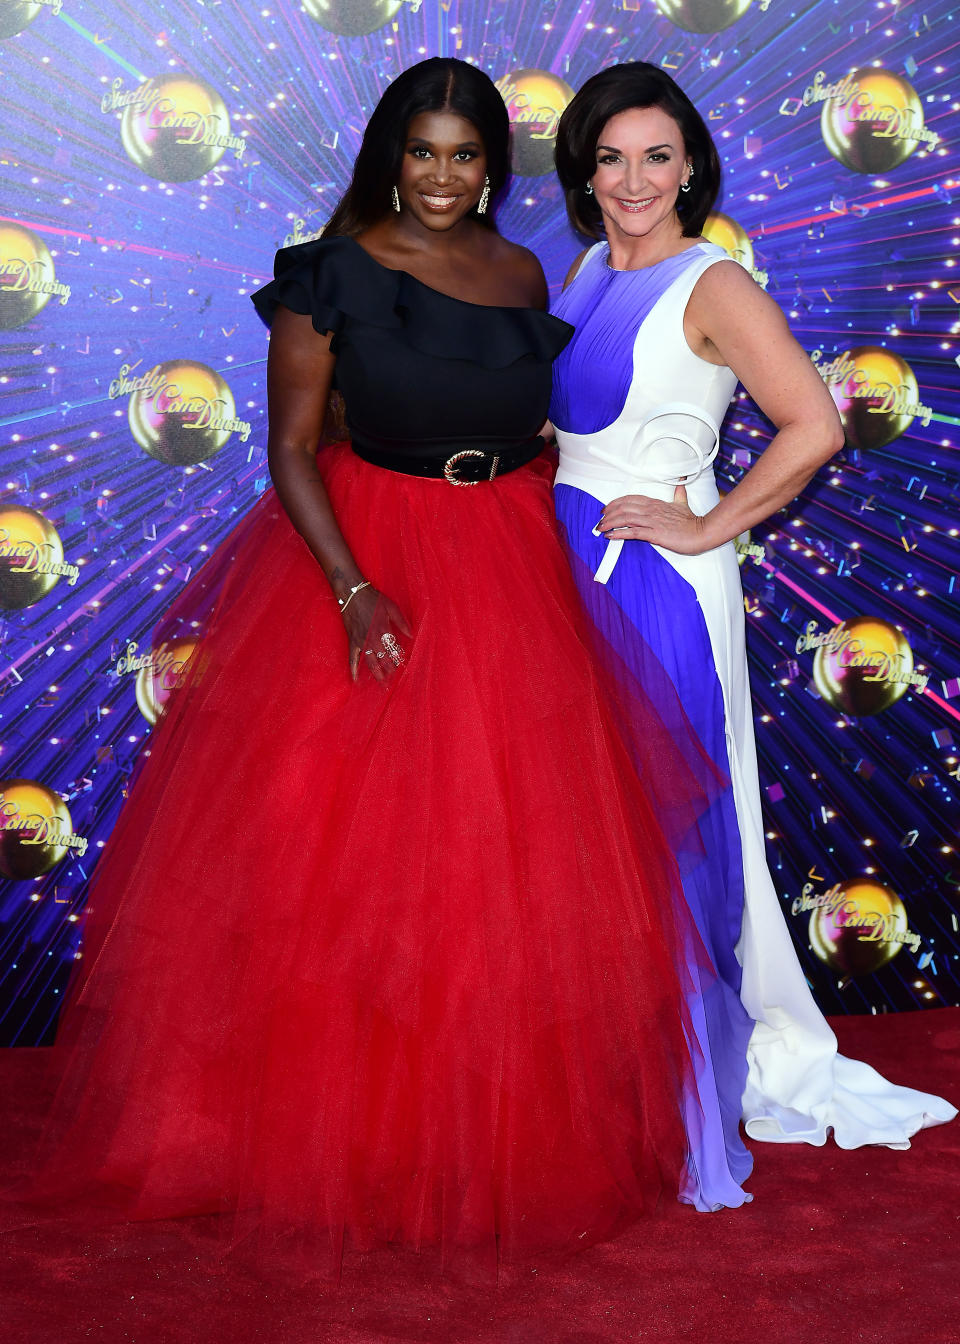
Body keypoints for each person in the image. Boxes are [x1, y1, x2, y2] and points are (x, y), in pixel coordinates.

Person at [20, 58, 721, 1278]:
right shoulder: (326, 275)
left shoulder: (522, 273)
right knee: (343, 867)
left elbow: (539, 417)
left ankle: (477, 1133)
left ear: (493, 165)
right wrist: (350, 588)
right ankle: (324, 1139)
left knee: (506, 865)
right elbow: (291, 450)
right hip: (367, 559)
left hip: (510, 555)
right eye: (421, 153)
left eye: (464, 155)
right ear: (390, 158)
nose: (442, 176)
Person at [549, 61, 956, 1214]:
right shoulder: (584, 270)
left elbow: (814, 422)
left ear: (692, 167)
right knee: (589, 816)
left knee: (672, 815)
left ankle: (684, 1085)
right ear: (587, 165)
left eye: (658, 157)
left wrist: (703, 523)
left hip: (658, 584)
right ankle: (604, 1069)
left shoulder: (714, 280)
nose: (634, 179)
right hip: (565, 569)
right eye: (614, 156)